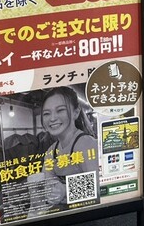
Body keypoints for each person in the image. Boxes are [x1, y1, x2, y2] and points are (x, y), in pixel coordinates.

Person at [28, 86, 99, 215]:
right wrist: (50, 191)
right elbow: (48, 182)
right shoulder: (51, 151)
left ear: (76, 112)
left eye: (60, 110)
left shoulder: (86, 144)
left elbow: (99, 186)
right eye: (47, 113)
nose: (52, 118)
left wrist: (65, 190)